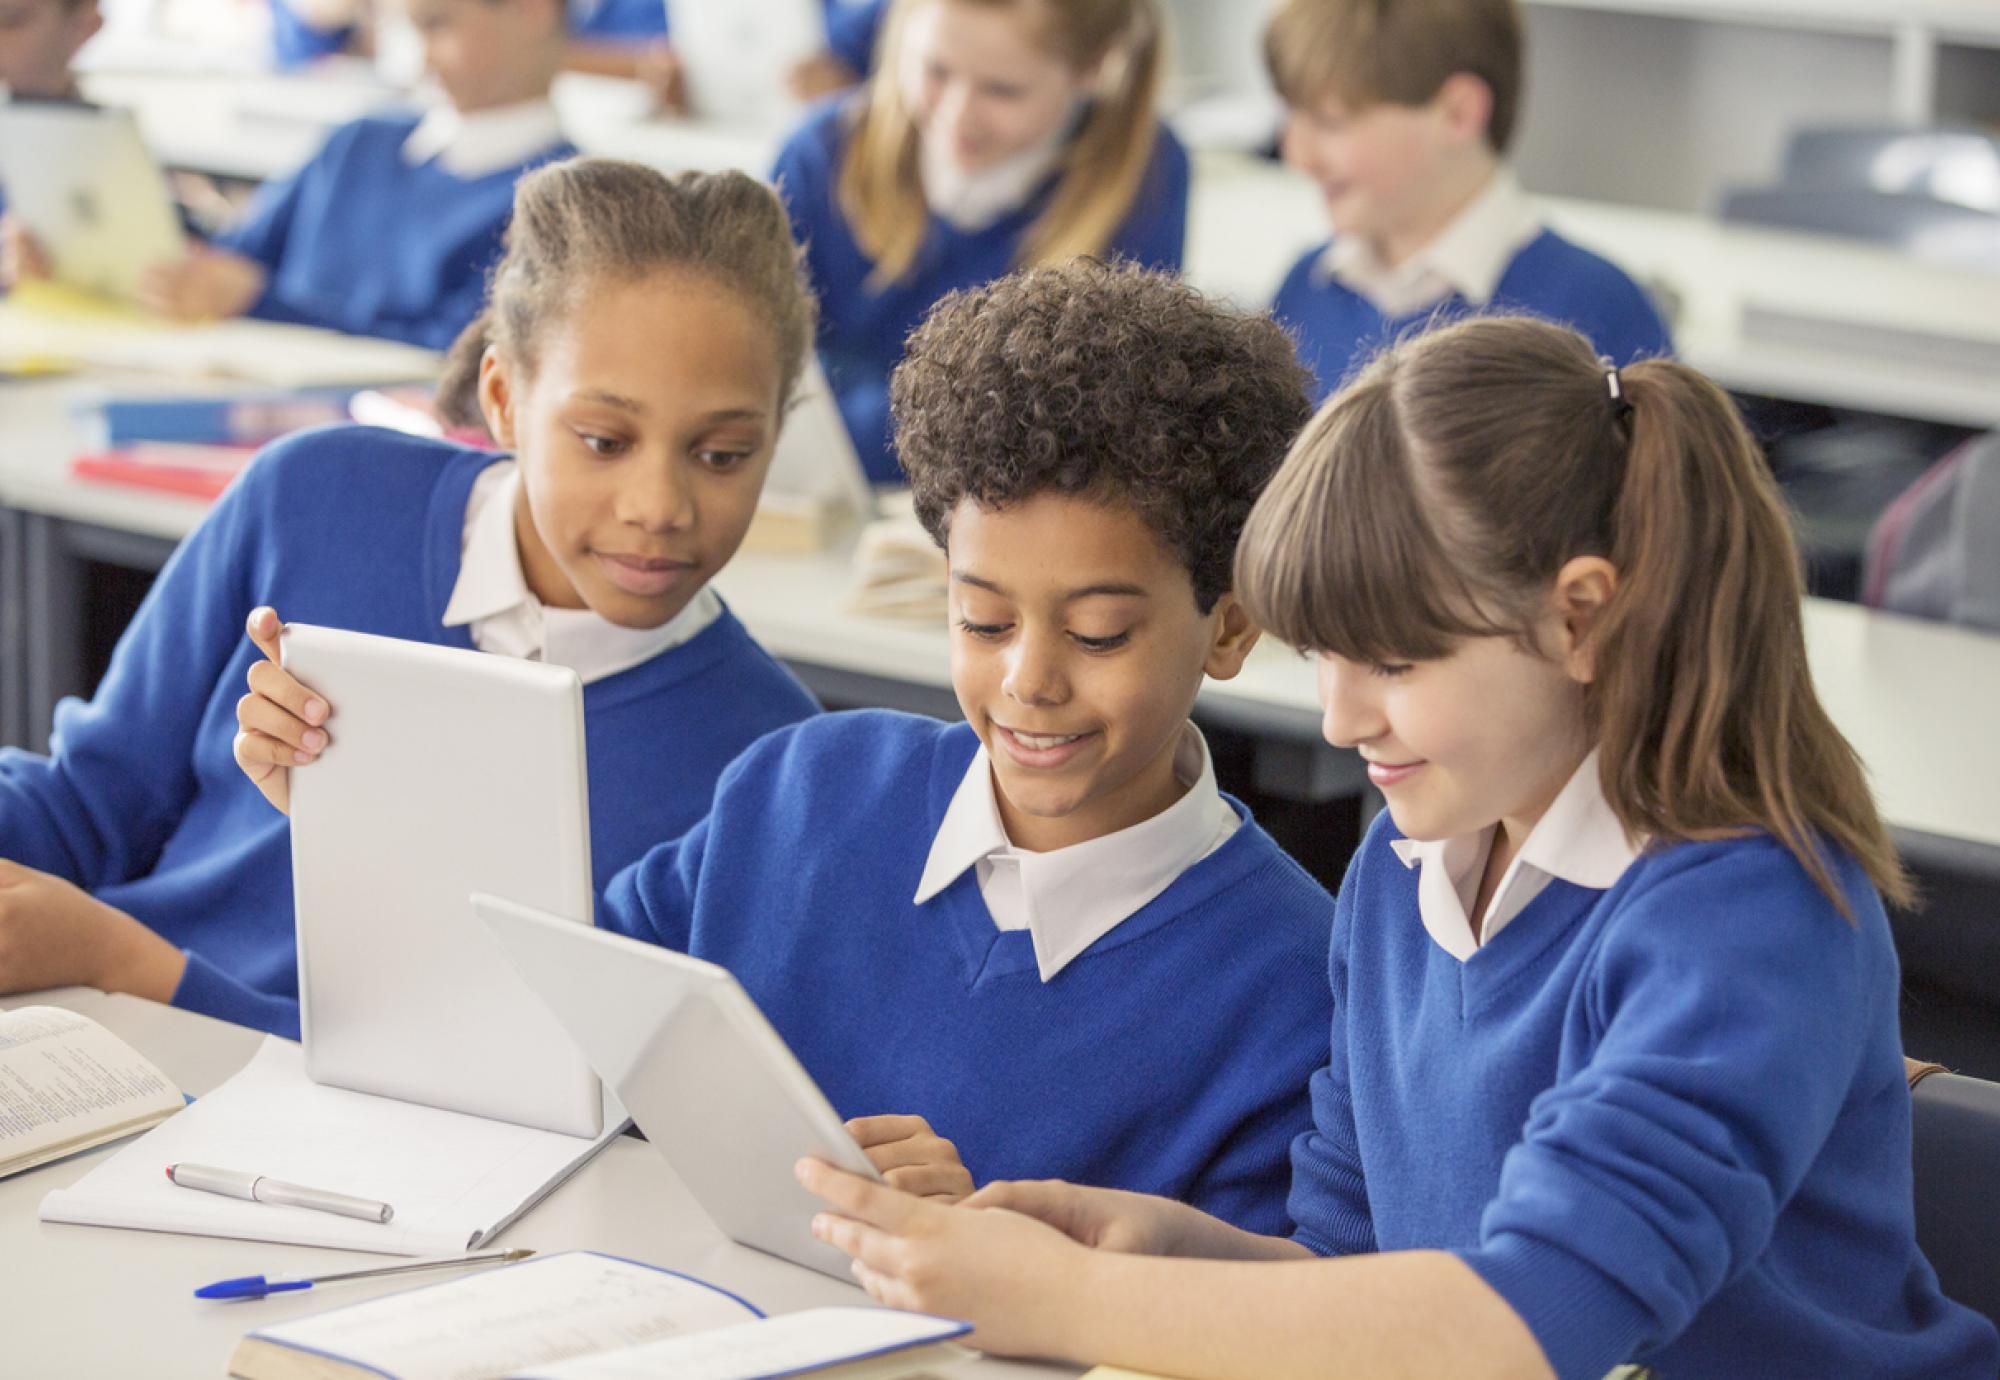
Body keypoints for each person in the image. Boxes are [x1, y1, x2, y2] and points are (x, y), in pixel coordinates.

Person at [798, 315, 2000, 1379]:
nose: (1336, 719)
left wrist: (1077, 1300)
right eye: (1322, 657)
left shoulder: (1746, 912)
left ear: (1577, 618)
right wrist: (1162, 1249)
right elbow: (1347, 1261)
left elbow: (1531, 1324)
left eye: (1390, 662)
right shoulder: (1402, 868)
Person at [0, 160, 820, 1037]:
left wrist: (132, 968)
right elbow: (85, 806)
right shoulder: (313, 496)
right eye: (603, 440)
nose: (660, 506)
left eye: (724, 455)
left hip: (321, 1121)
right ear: (504, 399)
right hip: (91, 1039)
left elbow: (515, 1085)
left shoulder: (774, 771)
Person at [597, 262, 1334, 1231]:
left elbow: (1234, 1321)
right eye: (981, 620)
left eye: (1099, 634)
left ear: (1229, 628)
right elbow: (567, 1022)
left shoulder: (1292, 990)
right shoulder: (801, 792)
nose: (1028, 680)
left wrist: (989, 1255)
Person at [770, 0, 1186, 481]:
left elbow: (1099, 418)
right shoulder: (818, 156)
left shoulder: (1142, 176)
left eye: (1002, 90)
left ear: (1093, 69)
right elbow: (764, 377)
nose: (958, 114)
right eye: (936, 70)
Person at [1266, 0, 1671, 398]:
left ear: (1458, 114)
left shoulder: (1600, 312)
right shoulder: (1303, 289)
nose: (1296, 154)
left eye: (1330, 122)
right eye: (1290, 115)